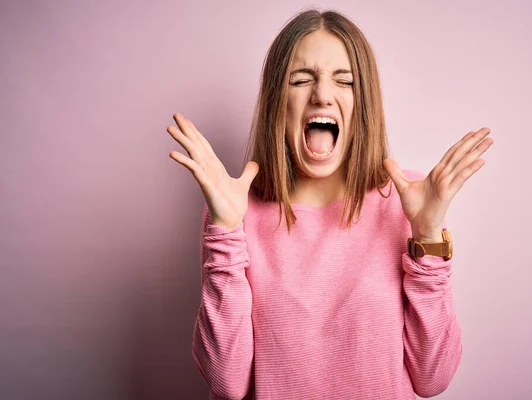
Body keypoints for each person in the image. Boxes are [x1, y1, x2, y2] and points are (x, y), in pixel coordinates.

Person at [167, 8, 493, 400]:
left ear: (364, 104)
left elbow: (433, 377)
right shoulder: (236, 210)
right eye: (301, 79)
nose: (322, 94)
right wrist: (223, 229)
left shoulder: (405, 201)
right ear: (277, 102)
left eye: (345, 81)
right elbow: (227, 383)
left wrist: (427, 236)